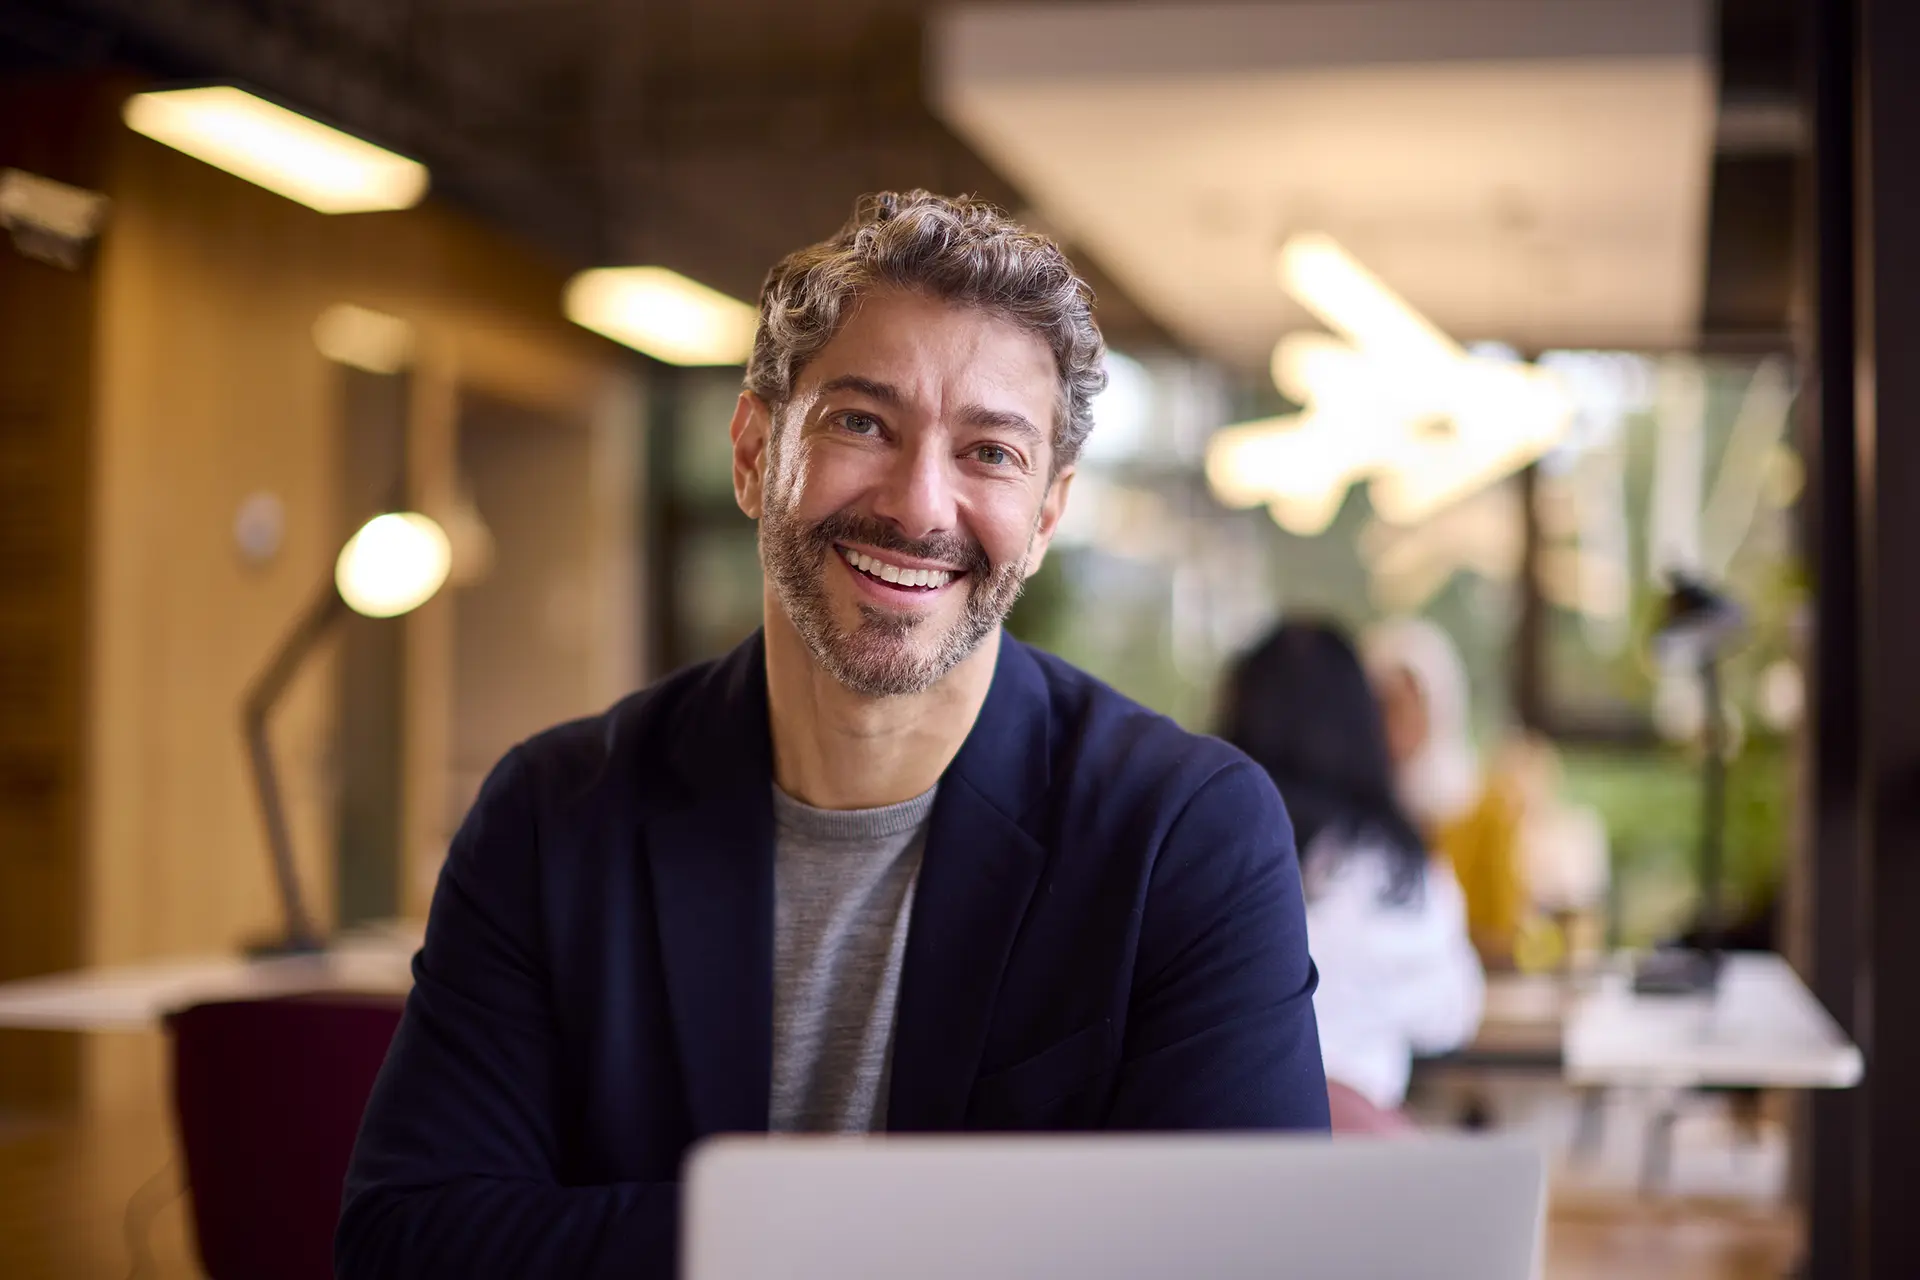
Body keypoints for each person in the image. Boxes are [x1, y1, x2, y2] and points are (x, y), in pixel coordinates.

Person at [336, 191, 1329, 1280]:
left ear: (1045, 517)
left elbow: (1252, 1259)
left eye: (990, 453)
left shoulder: (1185, 834)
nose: (918, 505)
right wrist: (882, 1234)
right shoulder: (553, 813)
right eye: (862, 422)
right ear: (756, 450)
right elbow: (412, 1242)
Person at [1220, 621, 1484, 1120]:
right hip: (1355, 1149)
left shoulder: (1205, 848)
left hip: (1219, 1147)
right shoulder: (1396, 868)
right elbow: (1450, 1015)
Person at [1364, 617, 1529, 968]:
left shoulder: (1482, 807)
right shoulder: (1355, 809)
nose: (1394, 724)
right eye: (1381, 706)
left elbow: (1501, 935)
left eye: (1406, 705)